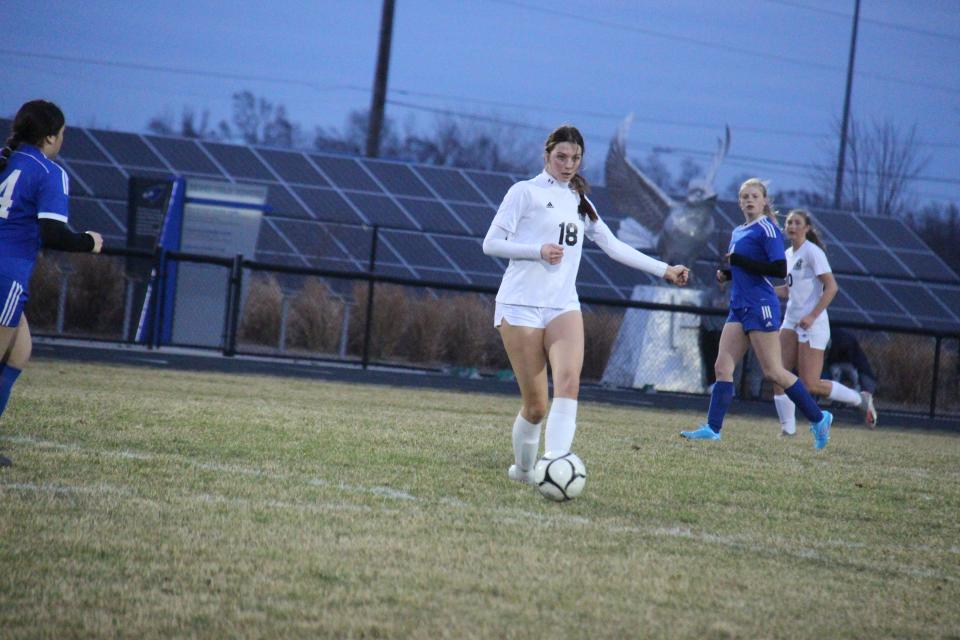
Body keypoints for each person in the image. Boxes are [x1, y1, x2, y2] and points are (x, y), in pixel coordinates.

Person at [482, 124, 690, 484]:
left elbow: (613, 246)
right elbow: (491, 244)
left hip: (563, 305)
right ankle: (524, 471)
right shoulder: (524, 193)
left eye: (575, 158)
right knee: (535, 408)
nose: (568, 164)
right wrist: (537, 251)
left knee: (569, 383)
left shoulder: (581, 201)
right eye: (561, 156)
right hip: (520, 306)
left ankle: (555, 462)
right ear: (546, 155)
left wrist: (664, 269)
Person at [680, 178, 834, 449]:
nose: (749, 200)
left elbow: (778, 270)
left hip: (761, 305)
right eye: (744, 197)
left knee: (774, 371)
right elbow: (748, 268)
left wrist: (739, 262)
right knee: (722, 367)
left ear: (764, 201)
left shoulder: (769, 229)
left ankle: (819, 418)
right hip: (739, 304)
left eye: (754, 196)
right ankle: (712, 429)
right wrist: (728, 273)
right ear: (739, 202)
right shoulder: (739, 230)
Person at [0, 100, 104, 467]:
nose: (62, 140)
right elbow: (54, 233)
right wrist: (88, 242)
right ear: (49, 136)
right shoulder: (48, 172)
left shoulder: (5, 158)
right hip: (6, 274)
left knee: (18, 351)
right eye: (61, 134)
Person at [771, 209, 877, 435]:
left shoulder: (813, 252)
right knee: (777, 373)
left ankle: (859, 400)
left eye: (797, 222)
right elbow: (789, 291)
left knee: (810, 384)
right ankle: (787, 429)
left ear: (807, 227)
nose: (791, 226)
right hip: (791, 320)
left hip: (813, 324)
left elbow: (831, 287)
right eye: (789, 222)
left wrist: (812, 315)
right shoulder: (788, 254)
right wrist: (764, 290)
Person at [824, 324, 879, 422]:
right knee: (833, 374)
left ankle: (859, 399)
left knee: (857, 379)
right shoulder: (831, 335)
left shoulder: (844, 338)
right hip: (836, 365)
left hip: (852, 366)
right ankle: (844, 401)